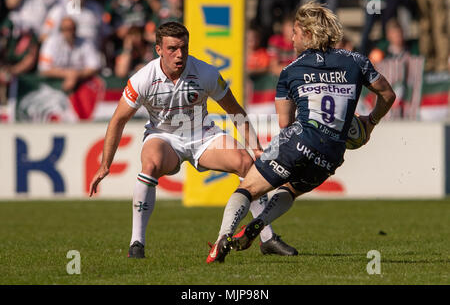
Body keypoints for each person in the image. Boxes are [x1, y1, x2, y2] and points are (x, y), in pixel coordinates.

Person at [88, 22, 298, 260]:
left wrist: (256, 147)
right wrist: (105, 165)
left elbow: (235, 111)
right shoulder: (143, 79)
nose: (180, 54)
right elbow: (117, 120)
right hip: (163, 136)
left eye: (184, 48)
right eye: (172, 49)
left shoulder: (205, 73)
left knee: (247, 164)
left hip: (202, 135)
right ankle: (137, 243)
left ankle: (267, 238)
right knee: (151, 164)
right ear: (158, 49)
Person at [207, 1, 396, 263]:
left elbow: (285, 123)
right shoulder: (357, 61)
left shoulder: (290, 70)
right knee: (292, 189)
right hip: (332, 153)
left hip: (299, 140)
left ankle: (221, 239)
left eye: (295, 32)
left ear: (308, 34)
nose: (291, 38)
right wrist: (371, 122)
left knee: (248, 188)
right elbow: (387, 94)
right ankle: (259, 224)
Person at [38, 16, 103, 119]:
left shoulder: (85, 43)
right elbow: (43, 68)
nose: (68, 32)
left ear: (76, 29)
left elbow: (95, 66)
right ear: (60, 30)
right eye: (65, 29)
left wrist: (76, 75)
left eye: (71, 29)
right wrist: (68, 74)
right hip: (55, 88)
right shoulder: (51, 42)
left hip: (80, 89)